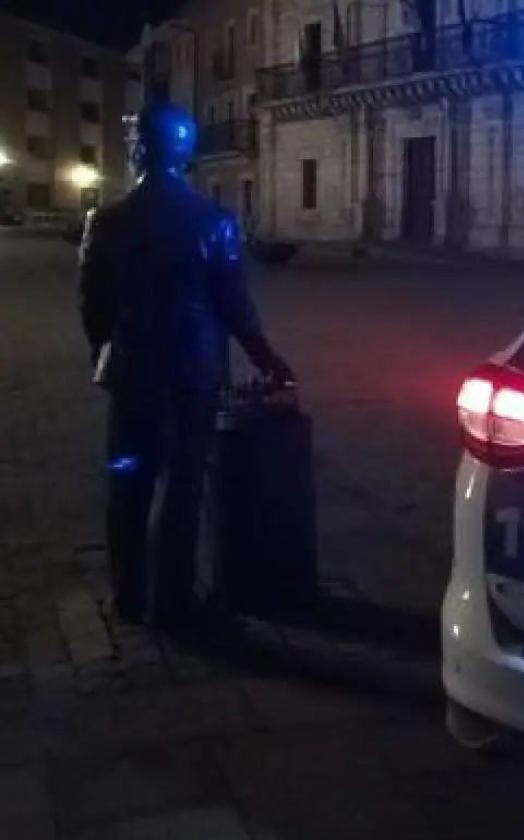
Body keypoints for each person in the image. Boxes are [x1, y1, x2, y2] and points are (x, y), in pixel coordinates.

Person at [78, 102, 294, 631]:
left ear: (140, 150)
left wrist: (106, 350)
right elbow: (235, 307)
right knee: (183, 483)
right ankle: (172, 599)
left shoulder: (104, 222)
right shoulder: (214, 222)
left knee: (128, 477)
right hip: (193, 373)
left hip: (131, 373)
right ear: (186, 153)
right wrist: (268, 358)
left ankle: (128, 594)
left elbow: (92, 305)